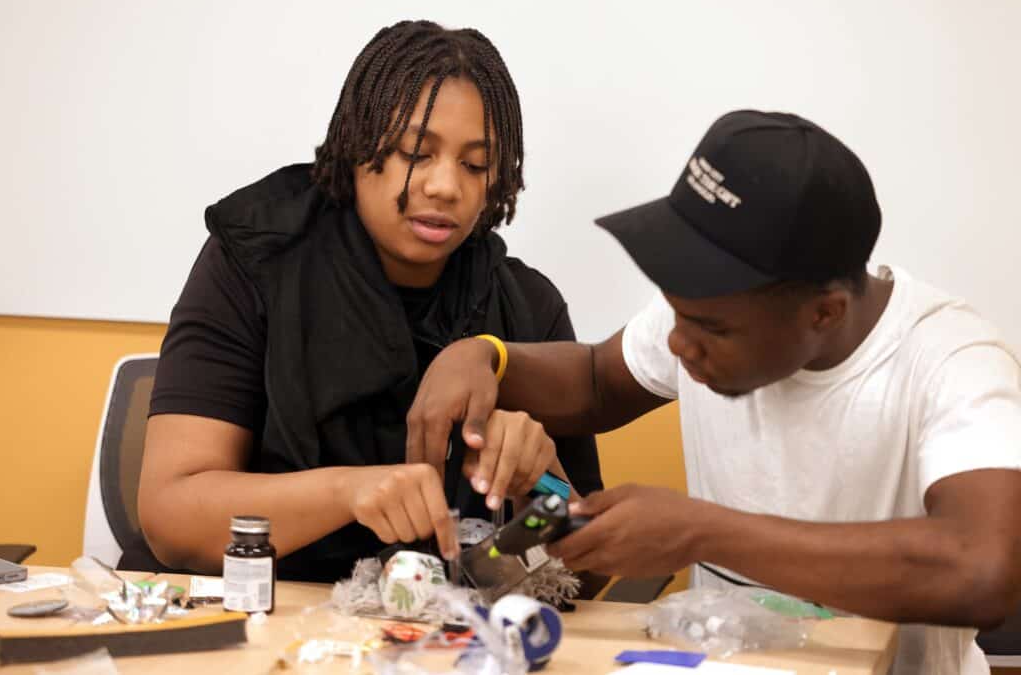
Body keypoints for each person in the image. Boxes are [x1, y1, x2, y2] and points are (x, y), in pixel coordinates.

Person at [406, 110, 1021, 674]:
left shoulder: (952, 361)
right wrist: (487, 356)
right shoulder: (710, 311)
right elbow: (595, 380)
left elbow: (984, 570)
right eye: (675, 312)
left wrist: (702, 532)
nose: (677, 343)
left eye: (709, 328)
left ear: (825, 314)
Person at [135, 20, 602, 583]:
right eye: (415, 153)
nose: (445, 186)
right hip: (269, 621)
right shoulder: (256, 260)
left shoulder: (526, 308)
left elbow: (589, 566)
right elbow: (172, 516)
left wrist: (539, 482)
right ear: (356, 147)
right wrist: (348, 490)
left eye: (475, 164)